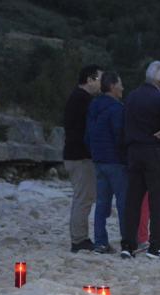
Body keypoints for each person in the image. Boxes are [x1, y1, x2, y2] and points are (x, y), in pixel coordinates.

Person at [120, 60, 160, 260]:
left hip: (133, 151)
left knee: (133, 200)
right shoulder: (159, 97)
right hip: (154, 151)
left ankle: (128, 245)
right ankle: (158, 245)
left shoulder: (131, 96)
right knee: (159, 199)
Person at [85, 71, 127, 254]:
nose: (123, 88)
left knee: (102, 203)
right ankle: (127, 241)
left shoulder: (93, 105)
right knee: (123, 203)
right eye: (120, 84)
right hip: (115, 161)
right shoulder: (117, 108)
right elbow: (120, 135)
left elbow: (88, 134)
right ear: (112, 86)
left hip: (98, 159)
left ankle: (100, 242)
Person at [63, 64, 102, 253]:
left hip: (73, 154)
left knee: (82, 197)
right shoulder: (83, 100)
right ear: (90, 79)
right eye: (99, 79)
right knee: (84, 198)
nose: (102, 83)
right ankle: (79, 240)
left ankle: (80, 237)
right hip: (80, 156)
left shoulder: (76, 97)